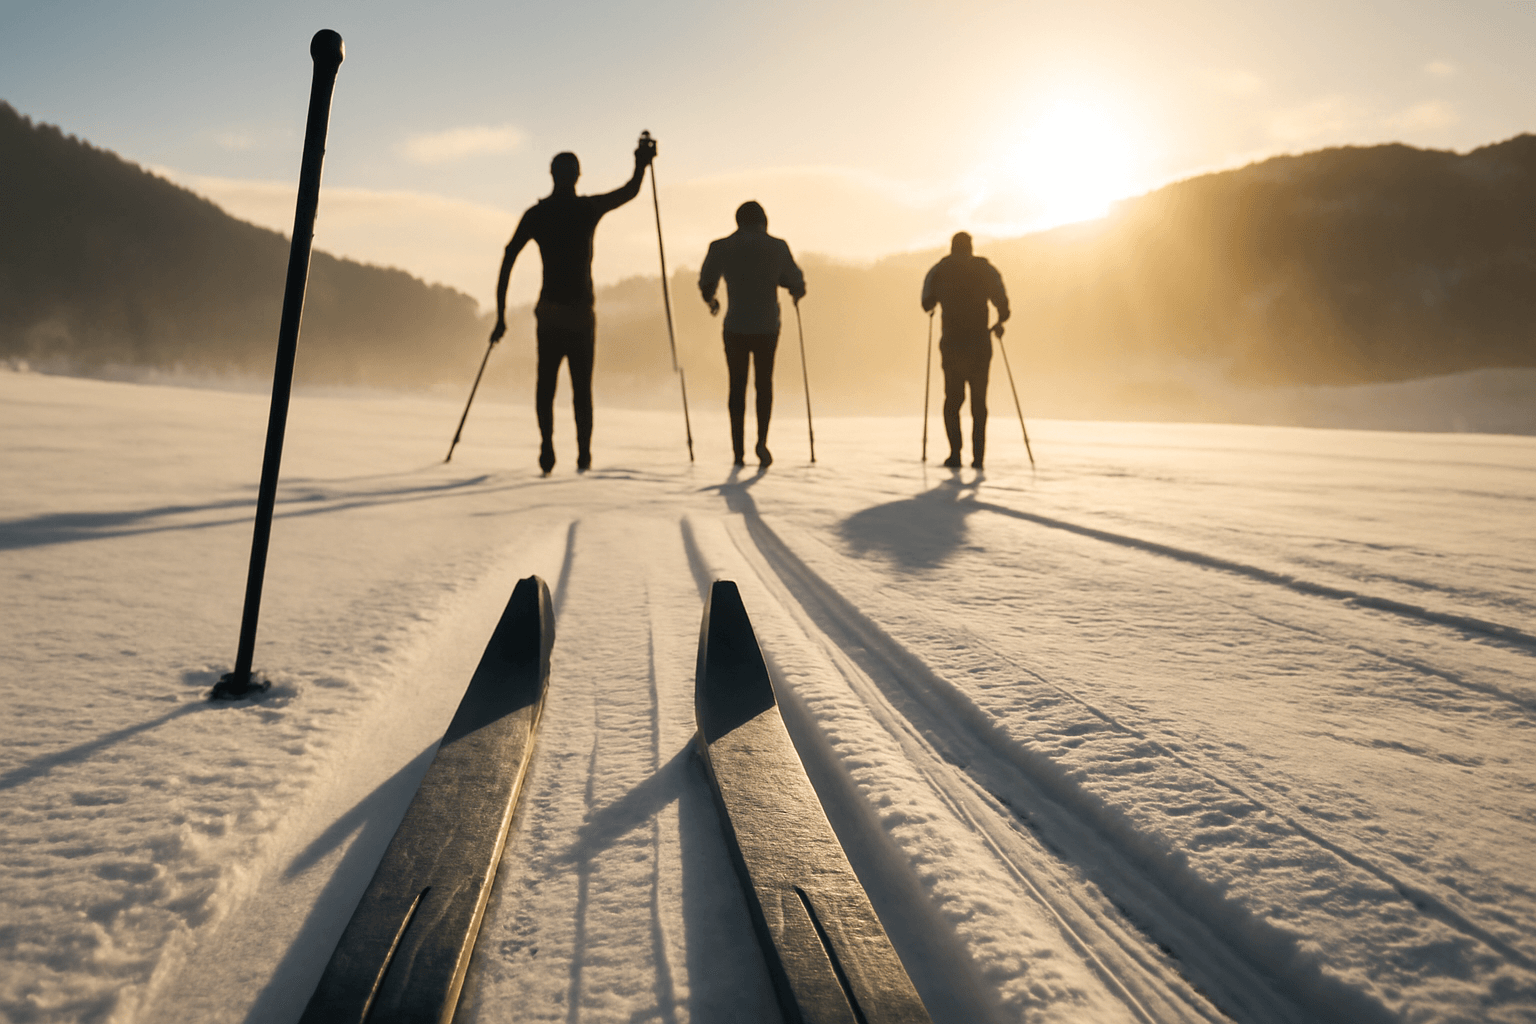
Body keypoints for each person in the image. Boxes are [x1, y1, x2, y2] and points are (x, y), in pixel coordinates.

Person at [491, 136, 656, 473]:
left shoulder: (538, 214)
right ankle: (583, 455)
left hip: (550, 313)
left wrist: (501, 315)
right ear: (577, 176)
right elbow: (629, 191)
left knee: (546, 387)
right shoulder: (586, 209)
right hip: (581, 314)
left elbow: (508, 258)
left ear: (552, 174)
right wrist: (641, 162)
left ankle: (547, 448)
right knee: (582, 389)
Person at [698, 201, 806, 467]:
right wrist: (793, 290)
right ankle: (762, 442)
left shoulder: (721, 247)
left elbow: (706, 282)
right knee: (764, 383)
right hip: (767, 326)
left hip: (734, 326)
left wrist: (712, 301)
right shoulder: (777, 246)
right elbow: (795, 281)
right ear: (763, 220)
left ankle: (737, 450)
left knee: (737, 386)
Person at [921, 231, 1009, 469]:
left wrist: (934, 304)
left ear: (952, 247)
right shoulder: (984, 269)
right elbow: (1002, 302)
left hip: (952, 346)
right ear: (970, 248)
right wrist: (1000, 320)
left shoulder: (940, 270)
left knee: (953, 401)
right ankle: (978, 458)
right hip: (980, 345)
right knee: (979, 403)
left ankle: (955, 455)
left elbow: (926, 301)